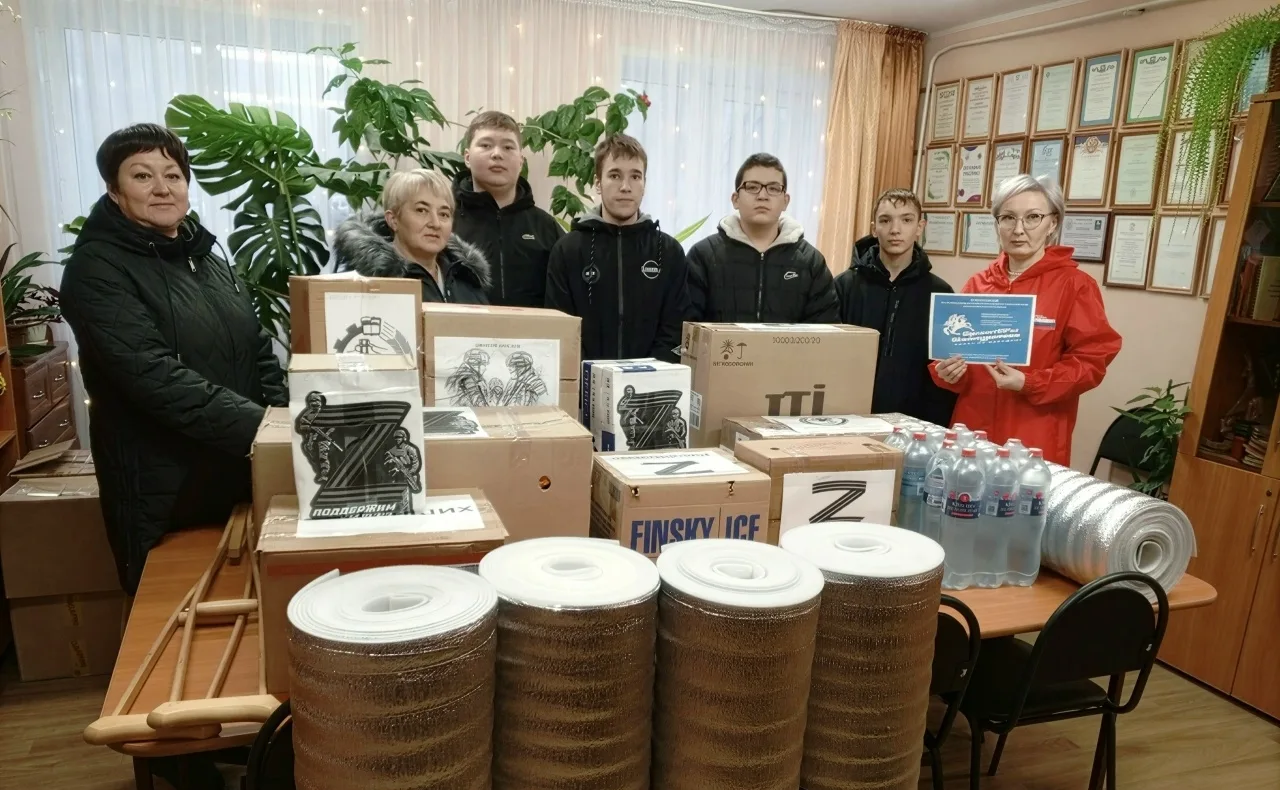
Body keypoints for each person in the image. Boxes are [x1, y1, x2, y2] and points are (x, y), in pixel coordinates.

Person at [61, 122, 283, 790]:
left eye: (173, 174)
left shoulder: (203, 253)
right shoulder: (96, 269)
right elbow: (154, 378)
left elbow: (255, 347)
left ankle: (241, 748)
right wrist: (266, 428)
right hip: (164, 484)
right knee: (169, 644)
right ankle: (184, 769)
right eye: (142, 175)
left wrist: (280, 415)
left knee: (237, 632)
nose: (162, 187)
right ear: (113, 189)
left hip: (234, 470)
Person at [931, 175, 1121, 465]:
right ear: (997, 224)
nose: (1018, 229)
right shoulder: (978, 285)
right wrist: (949, 372)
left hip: (1034, 437)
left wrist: (1030, 383)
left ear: (1052, 223)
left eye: (1033, 217)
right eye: (1008, 217)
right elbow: (959, 358)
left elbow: (1090, 362)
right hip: (972, 433)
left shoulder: (1075, 286)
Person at [545, 134, 690, 362]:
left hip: (653, 379)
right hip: (585, 379)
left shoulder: (669, 252)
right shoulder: (567, 250)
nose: (625, 187)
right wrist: (590, 375)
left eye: (635, 176)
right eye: (615, 175)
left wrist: (647, 373)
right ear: (598, 183)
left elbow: (675, 328)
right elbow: (561, 327)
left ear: (644, 184)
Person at [836, 188, 956, 427]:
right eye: (885, 220)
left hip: (916, 422)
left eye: (906, 220)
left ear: (920, 227)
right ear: (874, 228)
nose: (895, 229)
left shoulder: (941, 293)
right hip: (850, 415)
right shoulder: (844, 286)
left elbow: (944, 368)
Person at [687, 153, 838, 323]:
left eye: (773, 188)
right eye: (752, 187)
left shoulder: (811, 262)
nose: (762, 196)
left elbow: (826, 329)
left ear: (785, 201)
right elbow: (688, 327)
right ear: (735, 199)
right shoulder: (704, 256)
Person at [453, 110, 564, 307]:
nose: (497, 154)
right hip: (461, 326)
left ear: (521, 161)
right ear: (467, 158)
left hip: (534, 327)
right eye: (486, 145)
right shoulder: (445, 222)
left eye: (508, 147)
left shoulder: (546, 228)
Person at [334, 168, 491, 304]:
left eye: (443, 214)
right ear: (393, 220)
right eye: (421, 210)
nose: (435, 223)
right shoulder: (364, 285)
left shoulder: (467, 280)